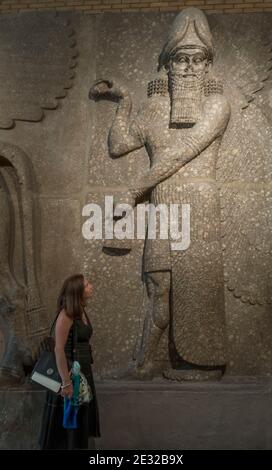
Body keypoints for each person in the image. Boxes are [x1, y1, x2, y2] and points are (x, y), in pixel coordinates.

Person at [38, 274, 100, 449]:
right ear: (77, 290)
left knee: (78, 424)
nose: (91, 286)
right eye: (87, 284)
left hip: (82, 373)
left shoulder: (81, 310)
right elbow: (59, 349)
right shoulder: (66, 314)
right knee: (67, 426)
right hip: (70, 377)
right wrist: (66, 383)